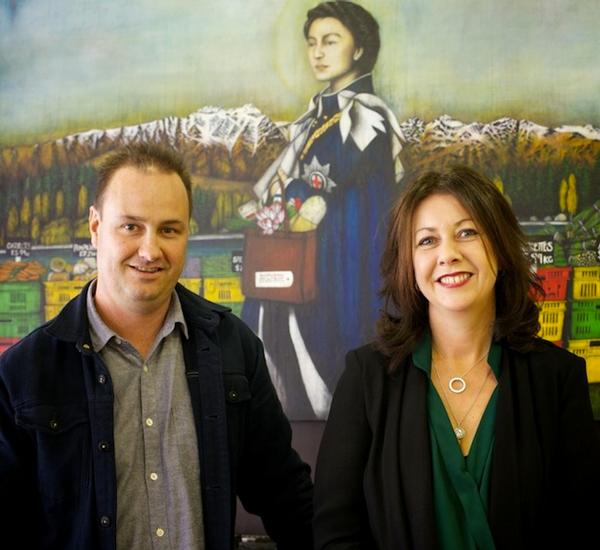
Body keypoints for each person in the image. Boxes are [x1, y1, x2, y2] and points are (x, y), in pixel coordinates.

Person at [0, 143, 313, 550]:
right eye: (130, 226)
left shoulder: (233, 347)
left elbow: (287, 497)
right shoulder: (24, 373)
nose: (150, 251)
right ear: (95, 227)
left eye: (169, 229)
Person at [313, 166, 600, 549]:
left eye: (467, 233)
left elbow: (581, 528)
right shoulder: (367, 378)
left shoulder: (557, 378)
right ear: (409, 264)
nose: (448, 254)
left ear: (498, 247)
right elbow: (335, 534)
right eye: (427, 241)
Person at [243, 0, 404, 419]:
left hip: (342, 269)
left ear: (359, 50)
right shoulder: (316, 119)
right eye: (312, 43)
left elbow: (342, 192)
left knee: (335, 367)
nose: (317, 52)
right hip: (302, 262)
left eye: (330, 41)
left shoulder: (367, 118)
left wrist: (296, 197)